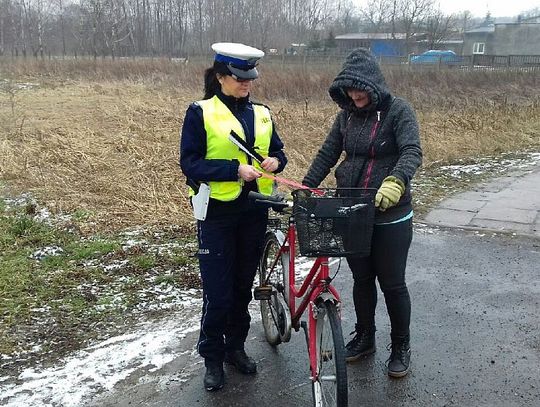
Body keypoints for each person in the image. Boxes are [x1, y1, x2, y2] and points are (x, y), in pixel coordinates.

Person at [302, 48, 422, 378]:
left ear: (373, 85)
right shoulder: (346, 117)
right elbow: (328, 153)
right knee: (362, 279)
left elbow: (412, 150)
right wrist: (306, 187)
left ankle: (400, 345)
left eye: (360, 88)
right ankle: (365, 337)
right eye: (349, 89)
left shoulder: (399, 111)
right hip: (352, 211)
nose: (354, 94)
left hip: (389, 214)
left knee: (393, 283)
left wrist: (397, 180)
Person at [179, 42, 287, 391]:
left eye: (250, 79)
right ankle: (212, 357)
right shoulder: (200, 112)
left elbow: (278, 152)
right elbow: (190, 162)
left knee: (242, 286)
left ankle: (235, 348)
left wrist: (275, 163)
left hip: (254, 211)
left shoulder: (263, 113)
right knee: (218, 291)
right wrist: (232, 170)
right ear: (222, 77)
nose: (247, 85)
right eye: (240, 79)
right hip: (217, 215)